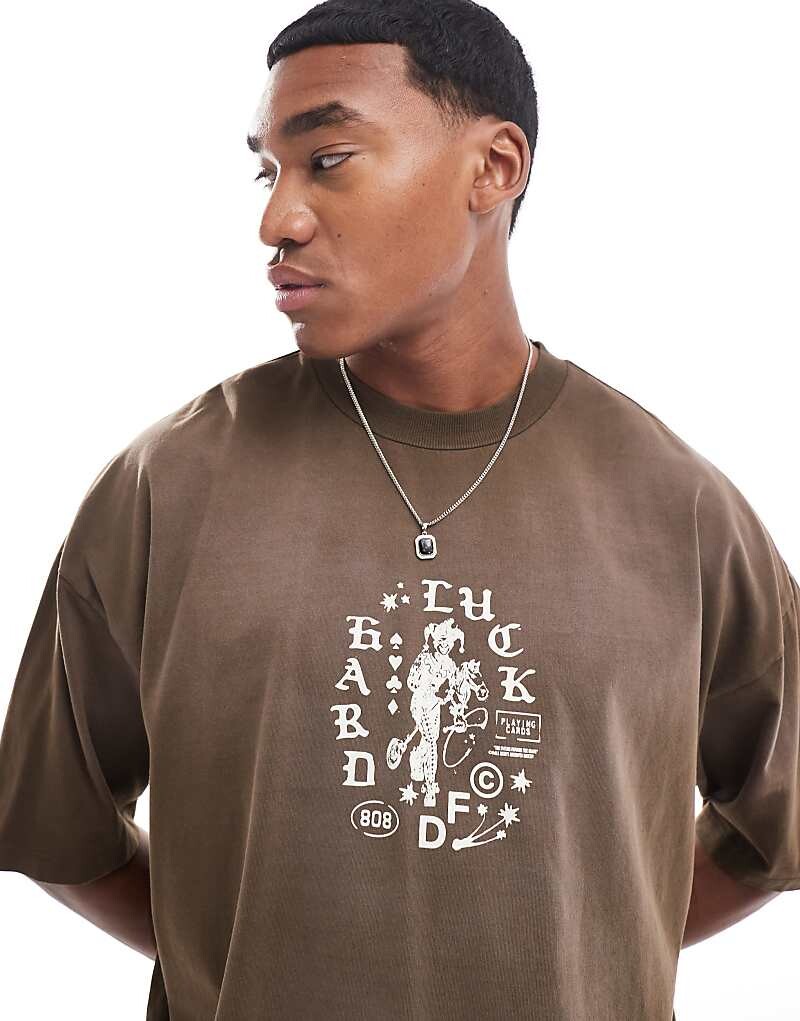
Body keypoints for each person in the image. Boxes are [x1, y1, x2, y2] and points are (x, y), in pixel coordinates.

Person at [0, 1, 798, 1018]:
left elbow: (778, 825)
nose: (276, 221)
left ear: (493, 168)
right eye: (267, 172)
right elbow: (55, 826)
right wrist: (252, 948)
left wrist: (596, 934)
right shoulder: (166, 487)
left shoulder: (675, 504)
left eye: (327, 160)